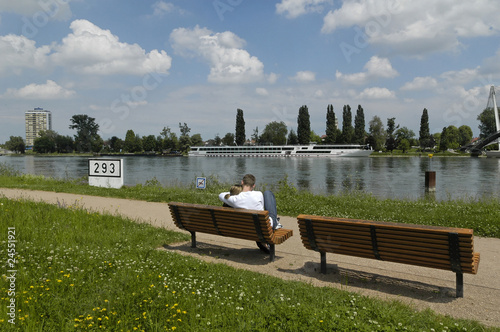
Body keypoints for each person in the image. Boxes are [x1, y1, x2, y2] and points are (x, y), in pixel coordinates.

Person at [219, 174, 282, 253]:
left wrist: (235, 191)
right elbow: (262, 209)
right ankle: (275, 222)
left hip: (247, 228)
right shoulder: (258, 194)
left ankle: (264, 242)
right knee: (268, 193)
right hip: (265, 226)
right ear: (254, 185)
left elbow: (221, 195)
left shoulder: (235, 199)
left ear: (242, 182)